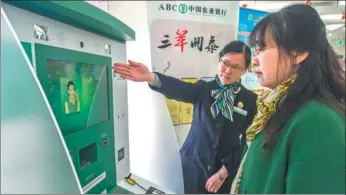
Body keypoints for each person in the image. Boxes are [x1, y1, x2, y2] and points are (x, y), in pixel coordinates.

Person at [113, 41, 258, 194]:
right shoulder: (204, 89)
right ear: (219, 59)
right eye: (225, 63)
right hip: (191, 166)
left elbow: (248, 142)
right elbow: (179, 88)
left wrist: (224, 172)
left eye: (235, 67)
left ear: (244, 70)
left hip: (222, 173)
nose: (228, 70)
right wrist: (151, 77)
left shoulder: (251, 101)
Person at [230, 4, 345, 194]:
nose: (255, 59)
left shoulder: (317, 122)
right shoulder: (277, 107)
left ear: (298, 53)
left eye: (262, 48)